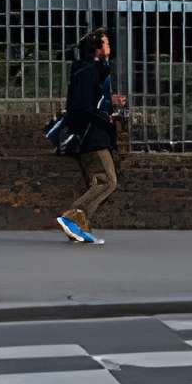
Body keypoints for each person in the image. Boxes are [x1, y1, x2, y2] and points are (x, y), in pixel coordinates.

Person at [56, 30, 128, 244]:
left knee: (97, 182)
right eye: (105, 42)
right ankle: (72, 216)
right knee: (108, 181)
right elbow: (82, 106)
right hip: (91, 136)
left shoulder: (92, 69)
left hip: (93, 134)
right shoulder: (88, 71)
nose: (109, 46)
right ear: (97, 47)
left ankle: (79, 227)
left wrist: (110, 101)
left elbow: (90, 99)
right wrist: (106, 116)